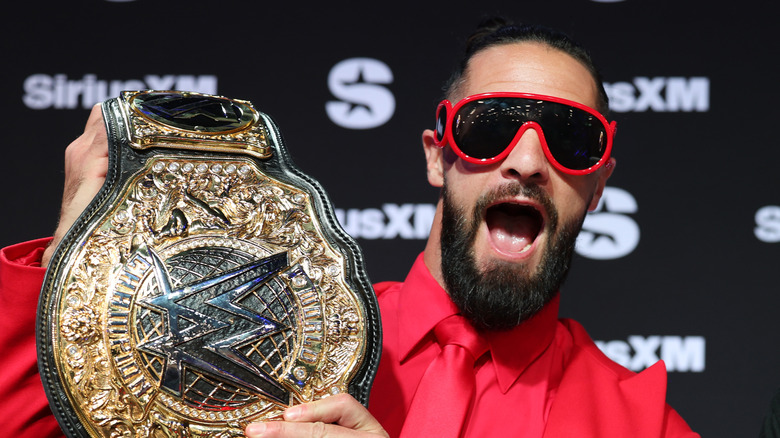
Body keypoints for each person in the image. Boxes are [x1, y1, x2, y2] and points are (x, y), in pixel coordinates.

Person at [0, 18, 699, 438]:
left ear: (600, 182)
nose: (525, 162)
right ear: (438, 155)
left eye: (570, 141)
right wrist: (77, 252)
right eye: (489, 131)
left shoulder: (642, 423)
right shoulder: (264, 332)